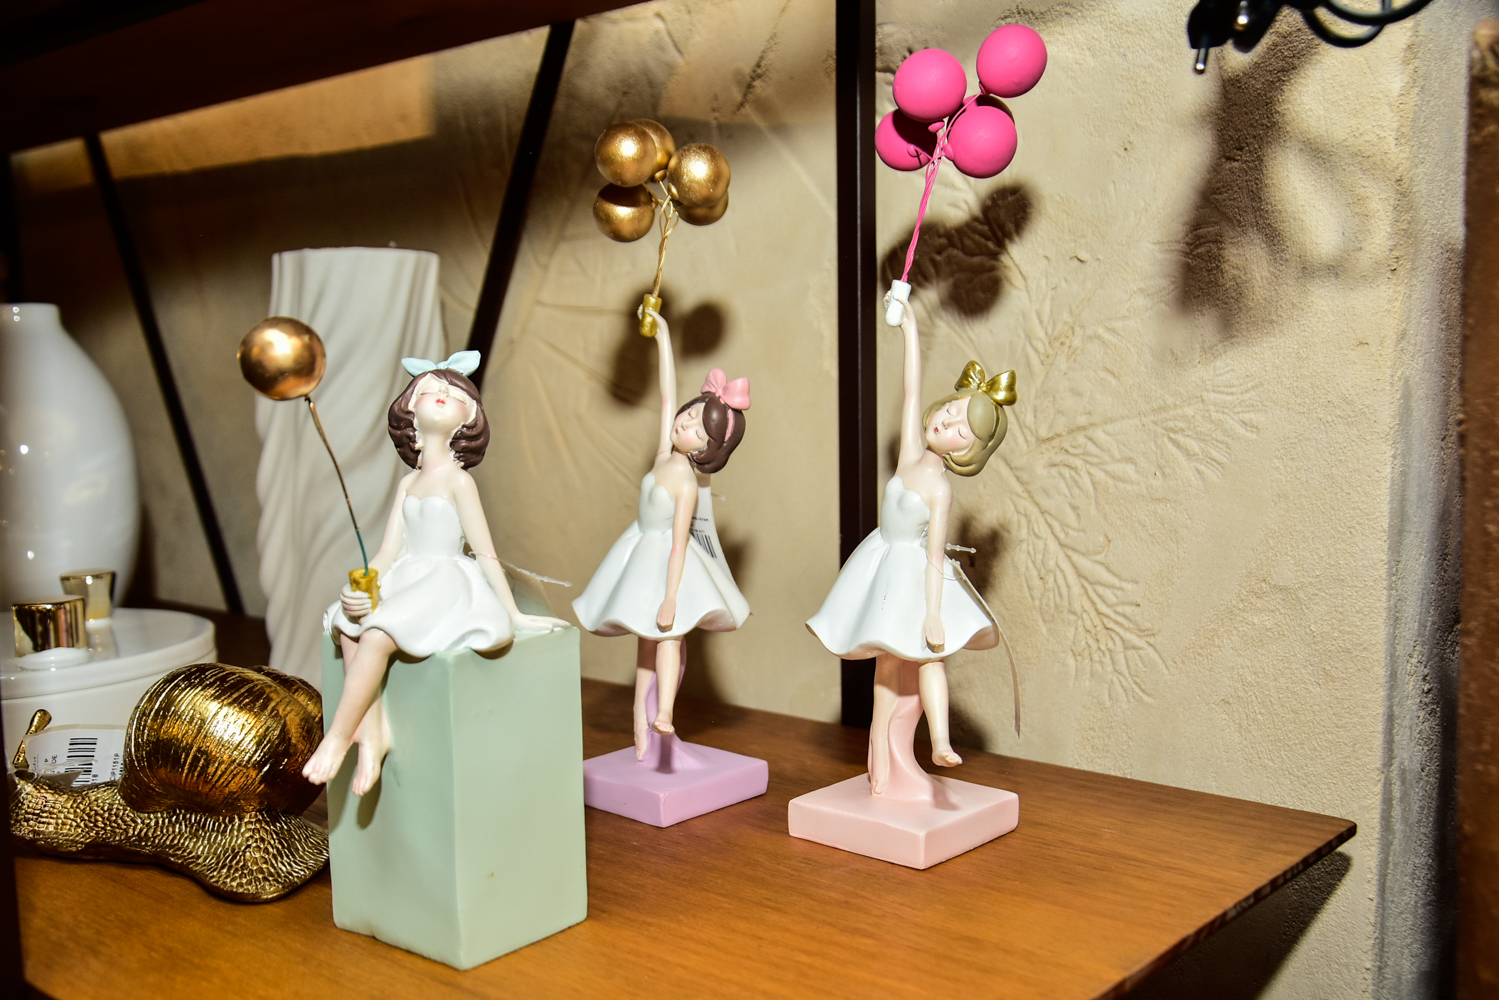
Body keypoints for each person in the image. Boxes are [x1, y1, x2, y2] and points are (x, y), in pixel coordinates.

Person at [302, 351, 564, 794]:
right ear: (409, 406)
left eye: (454, 393)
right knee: (348, 623)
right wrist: (360, 584)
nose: (443, 394)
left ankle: (338, 738)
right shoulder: (408, 483)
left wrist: (513, 612)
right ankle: (373, 731)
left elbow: (485, 552)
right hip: (407, 574)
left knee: (378, 634)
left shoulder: (459, 482)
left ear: (470, 418)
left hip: (444, 581)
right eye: (431, 389)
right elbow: (388, 549)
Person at [806, 305, 1014, 794]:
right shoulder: (908, 457)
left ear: (969, 451)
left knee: (928, 657)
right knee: (886, 666)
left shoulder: (940, 489)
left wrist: (934, 614)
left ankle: (939, 741)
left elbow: (935, 556)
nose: (947, 423)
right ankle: (880, 756)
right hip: (882, 565)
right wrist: (910, 325)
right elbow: (910, 388)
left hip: (915, 575)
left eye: (961, 429)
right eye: (950, 411)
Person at [573, 308, 751, 760]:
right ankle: (639, 719)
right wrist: (663, 334)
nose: (684, 424)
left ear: (708, 449)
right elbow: (668, 392)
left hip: (671, 562)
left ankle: (665, 711)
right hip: (639, 551)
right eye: (688, 416)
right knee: (645, 640)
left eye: (696, 429)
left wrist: (671, 597)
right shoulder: (661, 455)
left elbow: (679, 542)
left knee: (669, 636)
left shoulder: (687, 482)